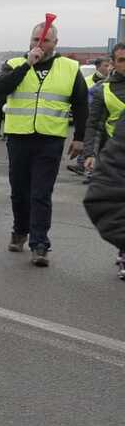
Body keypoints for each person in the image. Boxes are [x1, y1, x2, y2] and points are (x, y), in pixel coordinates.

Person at [0, 19, 87, 266]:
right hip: (19, 137)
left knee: (41, 192)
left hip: (50, 139)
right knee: (20, 191)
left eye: (45, 40)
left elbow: (80, 103)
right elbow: (1, 87)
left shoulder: (69, 67)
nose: (39, 44)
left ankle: (40, 243)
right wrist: (27, 65)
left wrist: (79, 137)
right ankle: (20, 230)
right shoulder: (14, 64)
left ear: (55, 43)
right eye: (36, 39)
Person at [82, 43, 125, 278]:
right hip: (116, 157)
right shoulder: (102, 90)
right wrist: (89, 153)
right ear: (113, 63)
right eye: (121, 60)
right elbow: (94, 124)